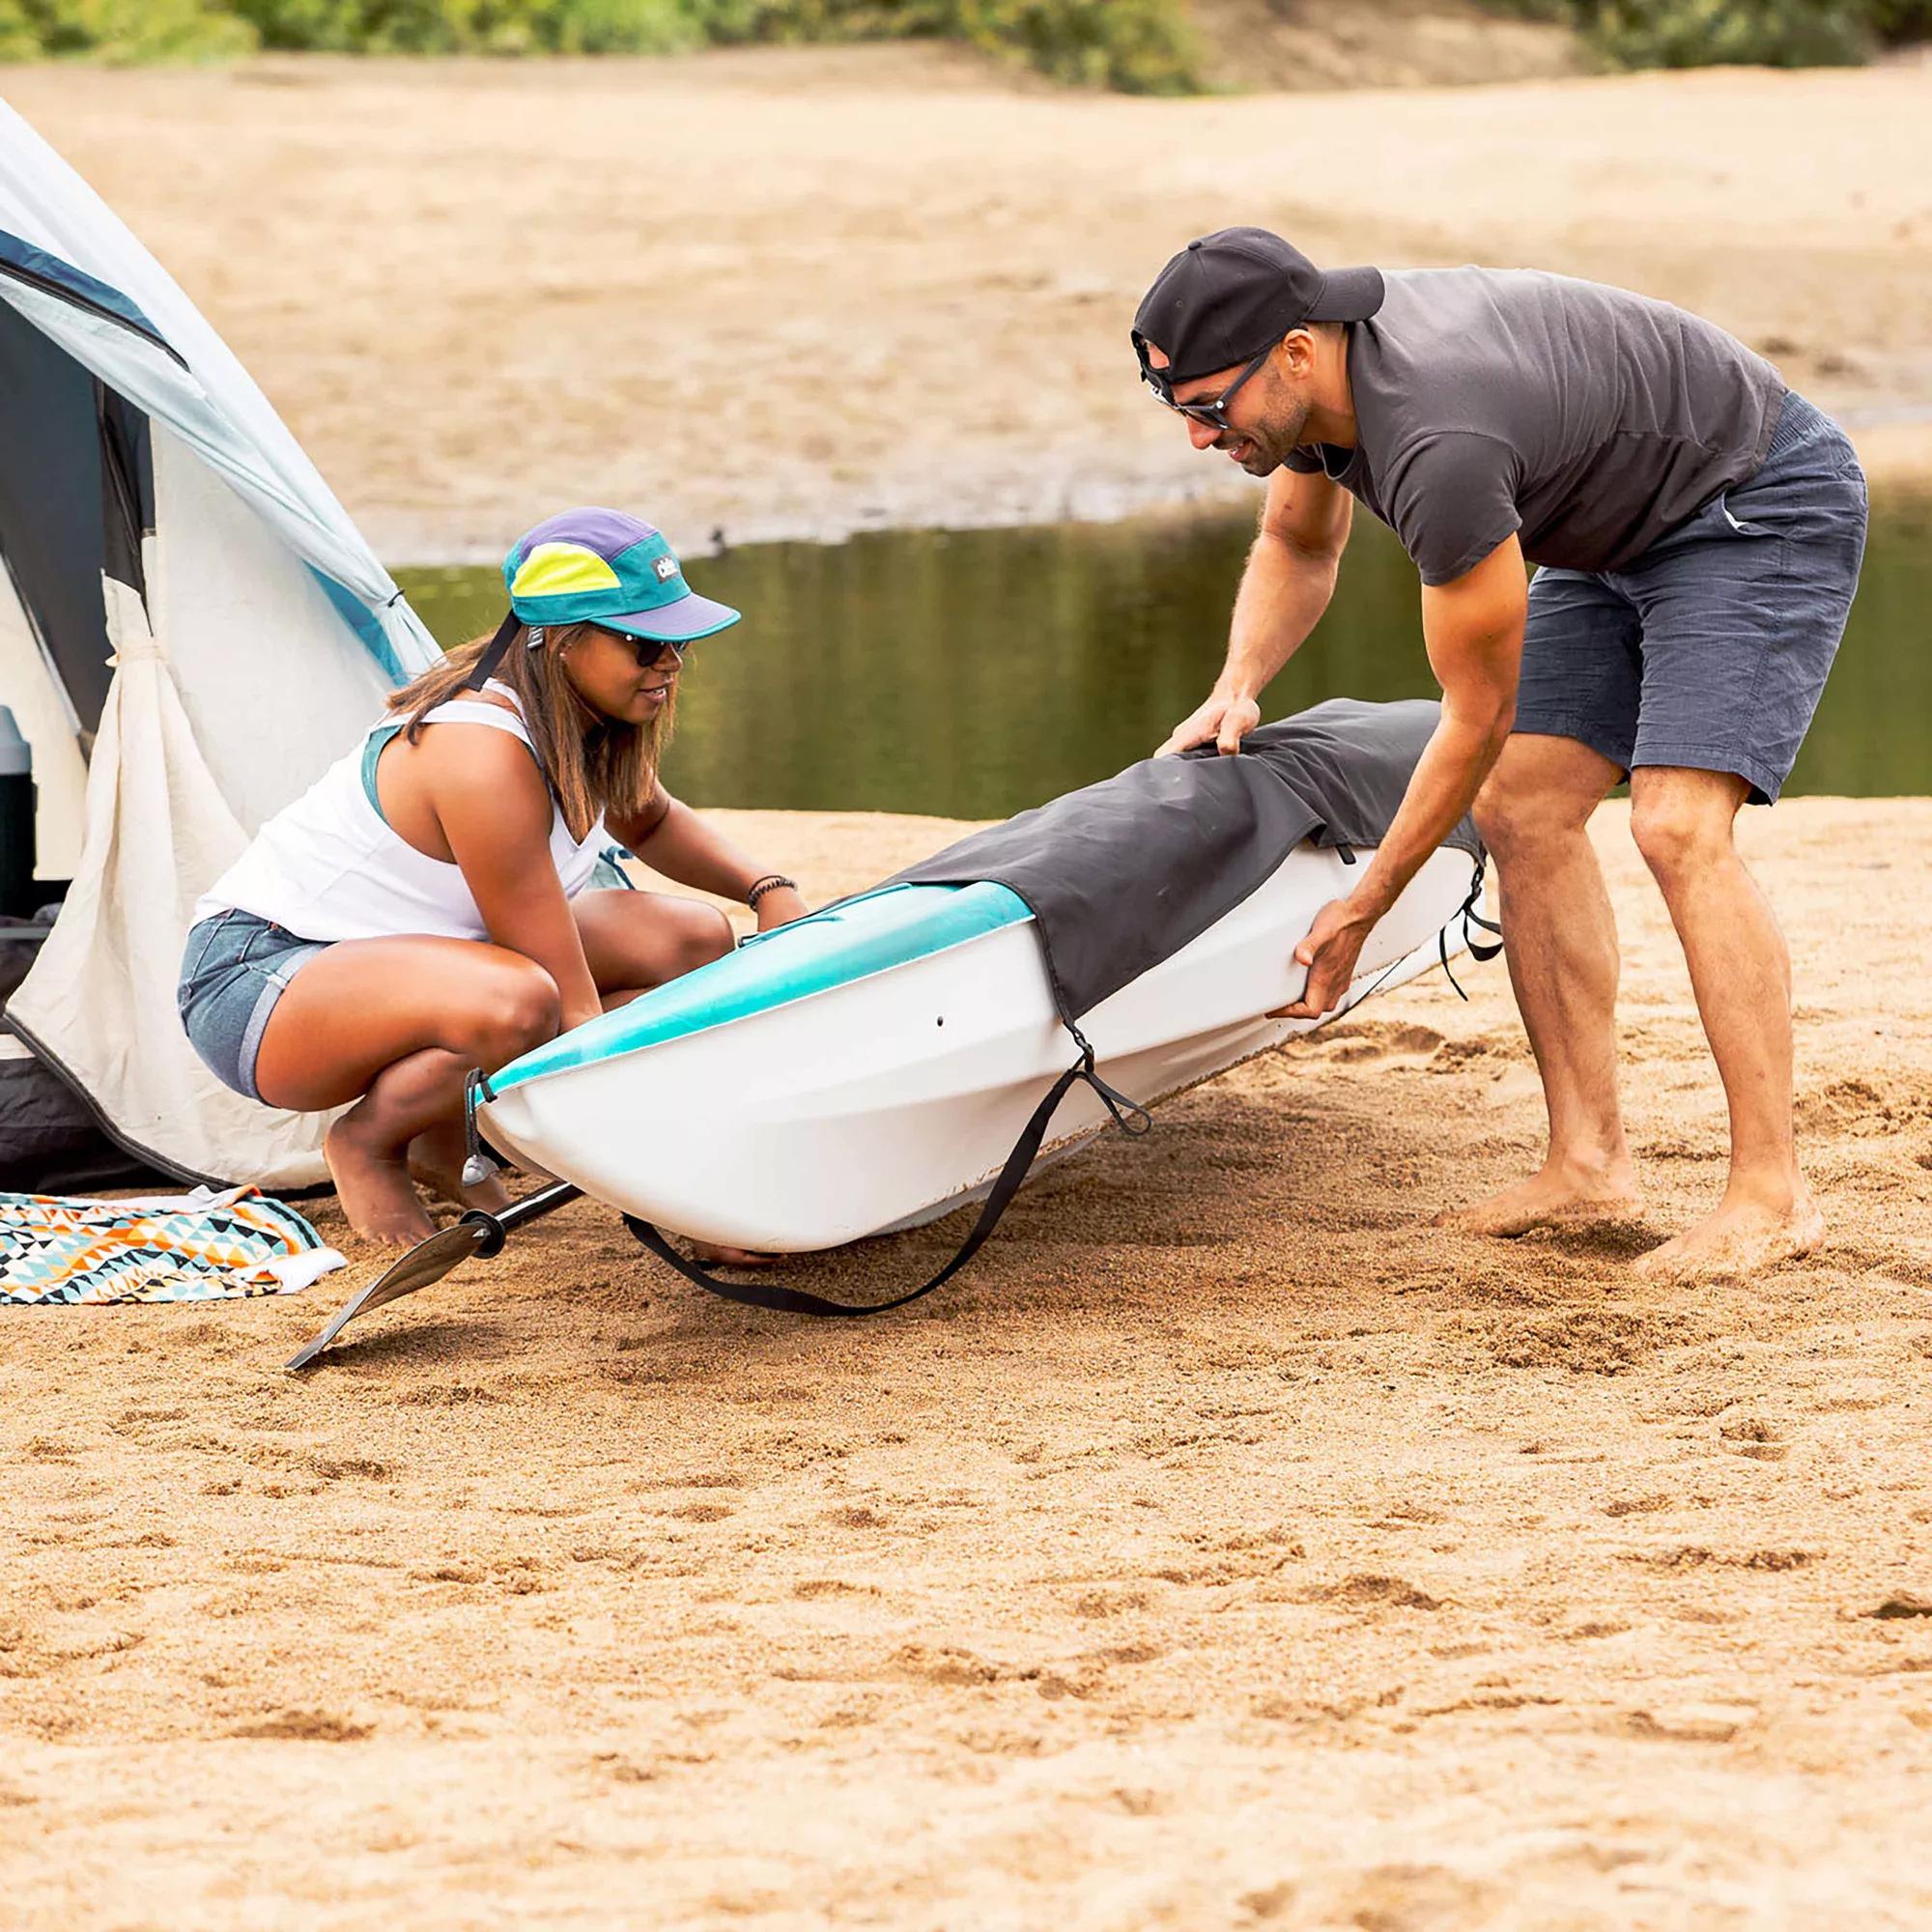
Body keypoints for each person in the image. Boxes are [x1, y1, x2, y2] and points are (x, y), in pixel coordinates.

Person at [1133, 230, 1867, 1283]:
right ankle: (1588, 1161)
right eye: (1180, 411)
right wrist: (1235, 684)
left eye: (1209, 408)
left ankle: (1767, 1192)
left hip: (1749, 501)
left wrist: (1365, 903)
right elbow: (1299, 543)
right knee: (1524, 805)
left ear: (1294, 352)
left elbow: (1472, 716)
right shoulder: (1305, 398)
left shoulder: (1437, 436)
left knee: (1672, 826)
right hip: (1597, 526)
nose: (1200, 439)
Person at [178, 507, 806, 1252]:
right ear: (562, 642)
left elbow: (651, 822)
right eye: (646, 642)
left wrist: (771, 890)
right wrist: (684, 1206)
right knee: (522, 1002)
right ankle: (370, 1143)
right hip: (259, 980)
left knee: (692, 939)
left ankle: (441, 1132)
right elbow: (571, 1009)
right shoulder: (482, 753)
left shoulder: (581, 719)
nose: (669, 661)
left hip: (411, 963)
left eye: (679, 639)